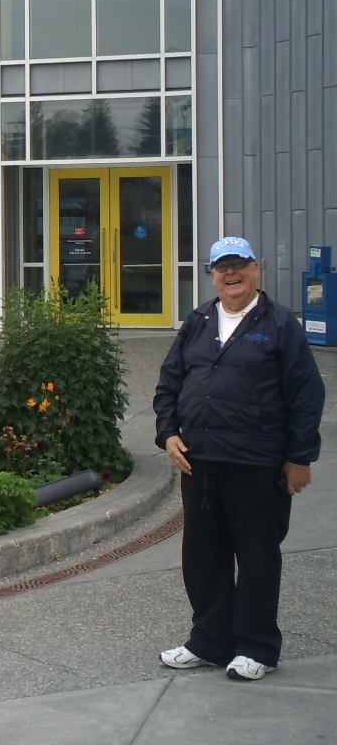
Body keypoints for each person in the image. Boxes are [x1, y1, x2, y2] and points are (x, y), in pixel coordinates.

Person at [153, 236, 323, 680]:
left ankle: (257, 646)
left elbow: (306, 395)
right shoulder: (199, 321)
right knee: (203, 556)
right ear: (212, 274)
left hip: (256, 461)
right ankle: (209, 642)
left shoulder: (280, 323)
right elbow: (169, 383)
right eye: (222, 267)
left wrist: (300, 458)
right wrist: (168, 433)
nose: (231, 273)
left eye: (239, 265)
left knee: (257, 556)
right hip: (201, 461)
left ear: (255, 268)